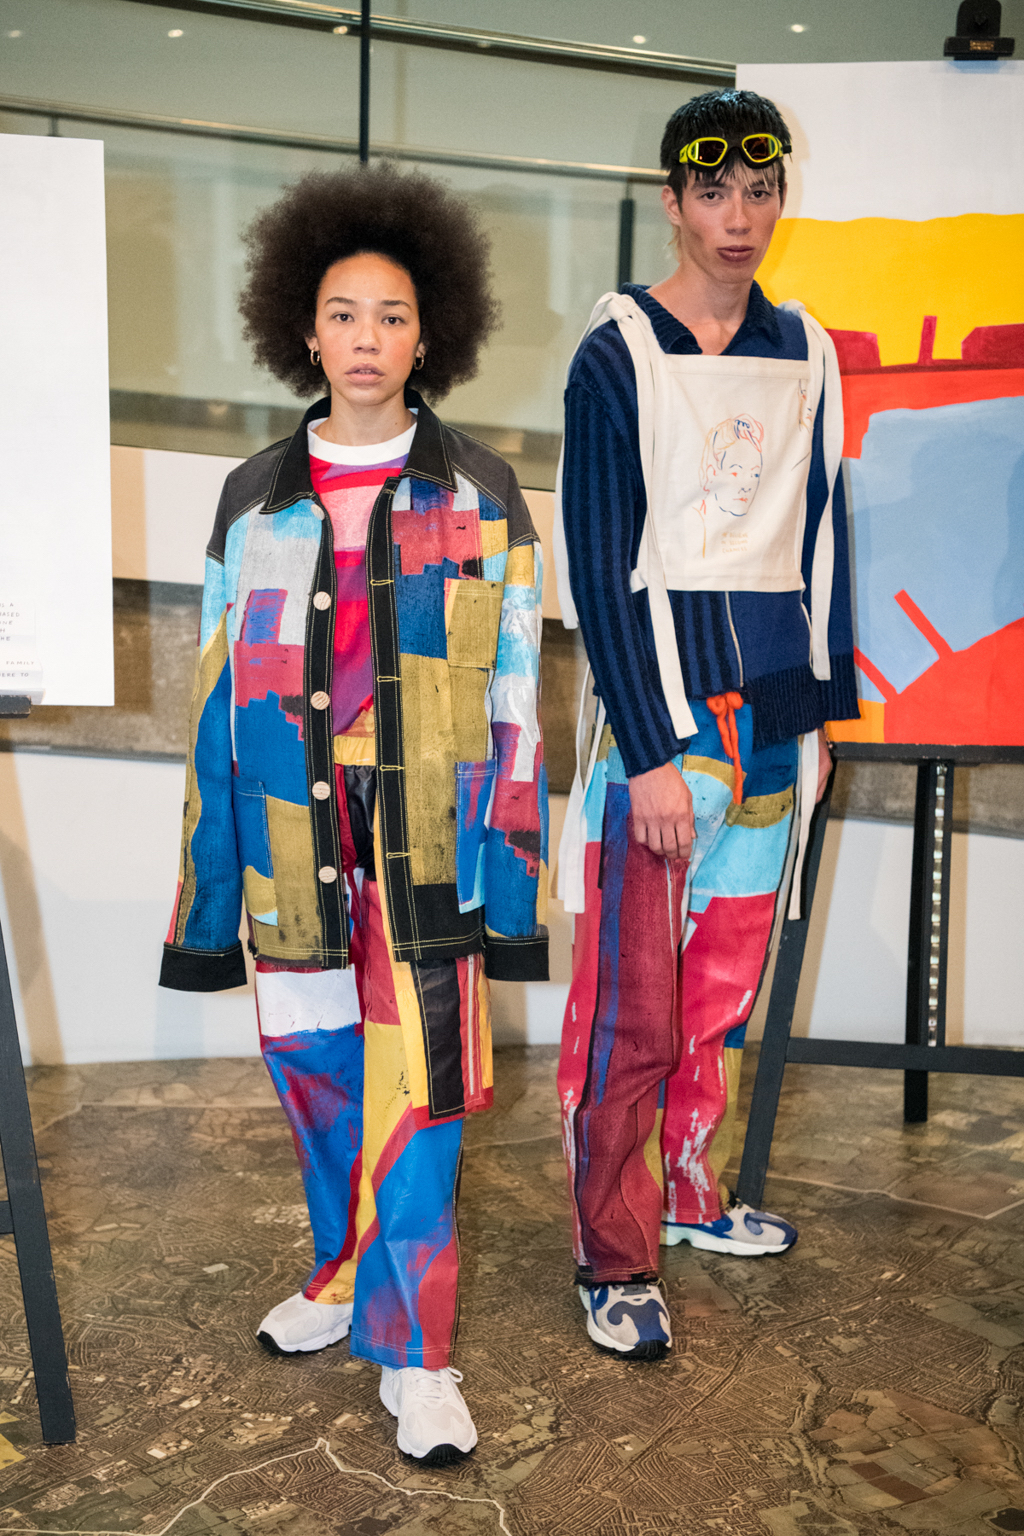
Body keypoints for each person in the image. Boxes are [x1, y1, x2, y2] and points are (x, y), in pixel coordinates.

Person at [159, 163, 548, 1461]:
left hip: (425, 847)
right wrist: (209, 890)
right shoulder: (252, 496)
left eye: (391, 315)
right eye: (343, 314)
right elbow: (214, 705)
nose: (367, 338)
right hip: (288, 845)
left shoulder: (481, 492)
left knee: (421, 1098)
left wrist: (509, 881)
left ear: (429, 335)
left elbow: (512, 698)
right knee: (319, 1080)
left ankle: (419, 1355)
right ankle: (340, 1274)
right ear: (303, 330)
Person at [553, 89, 859, 1360]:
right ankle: (612, 1256)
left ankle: (689, 1194)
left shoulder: (806, 347)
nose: (739, 215)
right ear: (673, 198)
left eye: (760, 188)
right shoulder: (617, 350)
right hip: (665, 733)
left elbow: (819, 540)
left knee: (721, 993)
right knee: (631, 1009)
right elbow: (597, 561)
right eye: (714, 190)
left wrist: (813, 720)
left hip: (770, 729)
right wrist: (646, 750)